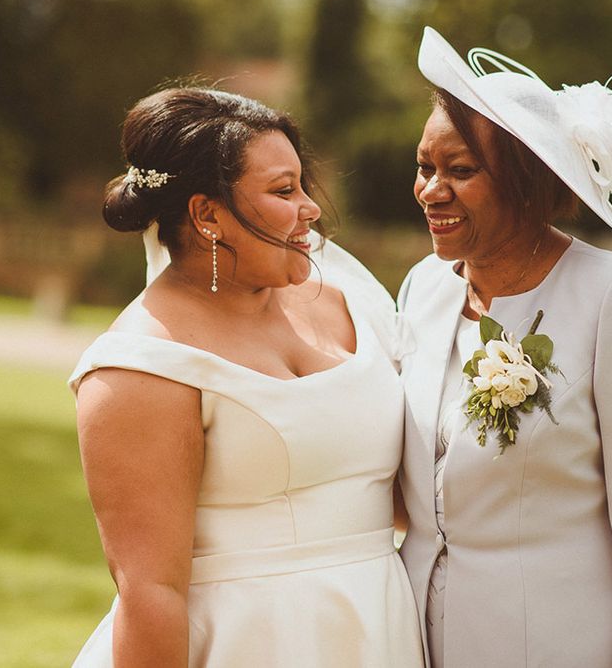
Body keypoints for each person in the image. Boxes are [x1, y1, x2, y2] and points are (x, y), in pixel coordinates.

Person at [69, 87, 424, 667]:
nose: (310, 207)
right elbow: (150, 591)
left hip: (376, 627)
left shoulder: (352, 303)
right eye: (284, 191)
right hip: (246, 643)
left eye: (303, 183)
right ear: (208, 215)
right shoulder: (138, 366)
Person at [398, 27, 612, 668]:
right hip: (416, 641)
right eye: (425, 167)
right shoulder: (422, 288)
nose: (431, 190)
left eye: (460, 170)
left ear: (526, 181)